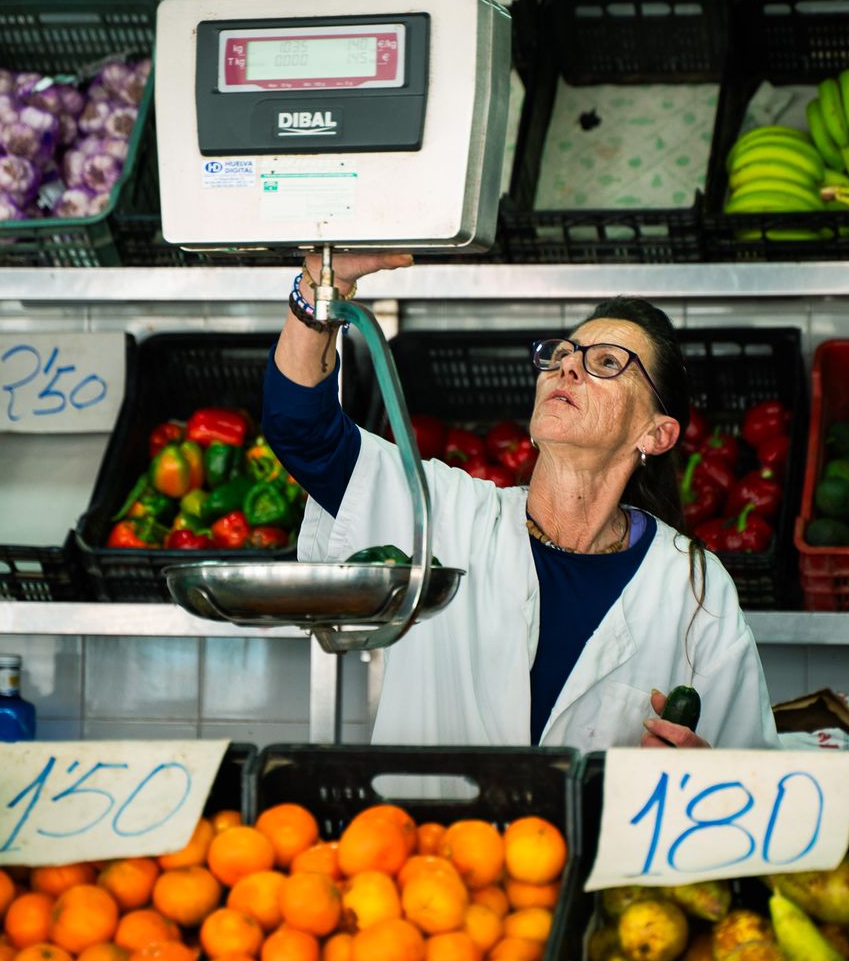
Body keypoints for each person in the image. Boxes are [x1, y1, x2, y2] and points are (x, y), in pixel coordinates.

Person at [263, 252, 777, 751]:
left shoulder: (694, 590)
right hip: (421, 837)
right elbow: (302, 430)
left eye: (605, 362)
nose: (567, 368)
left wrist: (696, 771)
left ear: (656, 434)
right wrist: (319, 286)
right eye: (562, 354)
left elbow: (746, 777)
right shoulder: (443, 511)